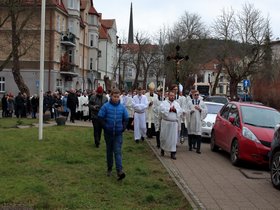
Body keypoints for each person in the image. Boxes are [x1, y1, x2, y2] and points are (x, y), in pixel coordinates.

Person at [98, 88, 128, 180]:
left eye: (118, 97)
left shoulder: (122, 107)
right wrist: (105, 127)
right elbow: (100, 117)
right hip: (108, 133)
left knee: (118, 151)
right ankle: (109, 168)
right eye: (114, 97)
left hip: (118, 133)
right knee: (109, 151)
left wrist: (123, 128)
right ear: (111, 96)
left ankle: (119, 170)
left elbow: (126, 118)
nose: (116, 98)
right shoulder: (106, 106)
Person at [159, 91, 182, 160]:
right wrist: (169, 109)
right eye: (171, 95)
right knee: (164, 137)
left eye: (173, 96)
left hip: (173, 124)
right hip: (166, 123)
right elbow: (161, 109)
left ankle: (173, 153)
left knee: (173, 139)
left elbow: (180, 110)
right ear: (168, 96)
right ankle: (162, 149)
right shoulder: (164, 103)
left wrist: (175, 110)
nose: (172, 97)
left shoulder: (176, 104)